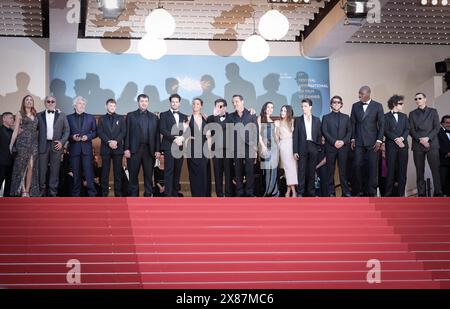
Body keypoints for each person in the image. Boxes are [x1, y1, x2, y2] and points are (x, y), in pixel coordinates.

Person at [350, 86, 385, 197]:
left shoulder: (378, 106)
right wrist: (353, 138)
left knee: (373, 166)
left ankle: (372, 191)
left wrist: (379, 140)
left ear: (368, 94)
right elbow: (352, 123)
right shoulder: (355, 106)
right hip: (359, 141)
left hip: (373, 142)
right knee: (357, 165)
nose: (359, 95)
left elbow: (382, 124)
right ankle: (359, 190)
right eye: (359, 93)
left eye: (361, 93)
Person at [124, 94, 160, 197]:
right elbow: (127, 133)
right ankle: (134, 196)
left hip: (149, 150)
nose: (144, 103)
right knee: (133, 175)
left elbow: (157, 135)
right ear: (138, 102)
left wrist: (157, 150)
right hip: (134, 150)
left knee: (148, 175)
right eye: (142, 101)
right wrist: (126, 148)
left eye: (146, 101)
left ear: (148, 102)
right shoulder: (131, 116)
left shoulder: (154, 117)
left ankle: (148, 195)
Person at [409, 93, 442, 197]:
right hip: (418, 145)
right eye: (416, 99)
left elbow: (437, 127)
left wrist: (428, 138)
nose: (417, 100)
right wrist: (420, 139)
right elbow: (411, 129)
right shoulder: (412, 113)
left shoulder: (433, 111)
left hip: (432, 144)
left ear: (425, 99)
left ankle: (438, 192)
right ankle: (421, 194)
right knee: (419, 170)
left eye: (420, 98)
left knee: (435, 169)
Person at [37, 95, 70, 197]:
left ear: (55, 103)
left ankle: (52, 193)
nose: (50, 103)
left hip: (56, 145)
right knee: (42, 170)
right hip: (43, 145)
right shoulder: (39, 115)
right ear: (45, 103)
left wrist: (61, 142)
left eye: (52, 101)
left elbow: (67, 130)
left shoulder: (62, 115)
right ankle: (41, 191)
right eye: (48, 101)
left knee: (55, 170)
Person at [321, 96, 352, 197]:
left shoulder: (346, 117)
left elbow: (349, 131)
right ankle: (331, 192)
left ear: (341, 104)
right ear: (331, 104)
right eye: (334, 102)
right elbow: (324, 131)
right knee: (330, 171)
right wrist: (334, 142)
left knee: (343, 171)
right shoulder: (326, 117)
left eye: (338, 102)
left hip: (343, 148)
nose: (336, 104)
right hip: (330, 147)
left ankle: (345, 191)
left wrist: (343, 141)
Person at [9, 95, 39, 197]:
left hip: (33, 143)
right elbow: (16, 130)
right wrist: (11, 144)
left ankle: (27, 190)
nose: (29, 101)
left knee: (31, 166)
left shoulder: (36, 114)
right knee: (21, 167)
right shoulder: (19, 114)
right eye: (27, 100)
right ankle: (23, 190)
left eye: (31, 100)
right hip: (22, 143)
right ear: (24, 102)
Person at [67, 96, 97, 197]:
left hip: (87, 150)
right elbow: (66, 133)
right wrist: (72, 137)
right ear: (75, 105)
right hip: (74, 150)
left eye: (84, 104)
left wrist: (87, 137)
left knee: (89, 174)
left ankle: (92, 195)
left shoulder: (91, 117)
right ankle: (76, 196)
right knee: (76, 174)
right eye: (80, 103)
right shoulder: (68, 118)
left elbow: (95, 132)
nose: (82, 106)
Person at [229, 94, 258, 197]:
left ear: (242, 101)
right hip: (236, 147)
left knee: (249, 170)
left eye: (236, 101)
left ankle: (250, 192)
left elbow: (255, 131)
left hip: (249, 146)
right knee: (238, 170)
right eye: (233, 102)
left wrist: (255, 147)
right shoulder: (231, 116)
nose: (234, 103)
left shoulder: (251, 114)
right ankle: (240, 192)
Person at [159, 94, 188, 197]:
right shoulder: (163, 115)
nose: (175, 103)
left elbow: (187, 131)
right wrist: (175, 138)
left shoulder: (184, 116)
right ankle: (168, 194)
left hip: (180, 147)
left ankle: (175, 193)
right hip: (168, 146)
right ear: (170, 103)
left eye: (176, 102)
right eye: (173, 102)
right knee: (169, 171)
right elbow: (162, 129)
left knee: (177, 170)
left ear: (179, 103)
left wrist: (182, 138)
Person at [293, 98, 322, 197]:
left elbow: (319, 135)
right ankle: (300, 192)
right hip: (302, 146)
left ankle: (311, 192)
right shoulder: (298, 120)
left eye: (305, 106)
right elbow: (295, 136)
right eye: (302, 106)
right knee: (301, 170)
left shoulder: (317, 120)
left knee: (312, 170)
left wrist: (318, 148)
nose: (303, 108)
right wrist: (295, 151)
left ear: (310, 107)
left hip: (313, 146)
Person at [97, 99, 126, 197]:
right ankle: (104, 193)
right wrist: (109, 142)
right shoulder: (101, 118)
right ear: (106, 106)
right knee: (105, 173)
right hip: (106, 148)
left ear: (116, 107)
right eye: (110, 106)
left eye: (114, 106)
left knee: (117, 173)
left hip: (117, 149)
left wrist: (116, 141)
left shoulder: (121, 118)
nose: (112, 107)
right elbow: (100, 132)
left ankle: (118, 193)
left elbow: (123, 132)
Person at [384, 95, 409, 197]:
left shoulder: (404, 116)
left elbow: (407, 129)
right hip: (391, 145)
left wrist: (401, 139)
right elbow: (385, 130)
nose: (402, 105)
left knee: (402, 170)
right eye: (400, 103)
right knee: (390, 170)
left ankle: (401, 194)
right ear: (394, 104)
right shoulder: (385, 116)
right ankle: (388, 194)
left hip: (403, 145)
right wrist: (396, 139)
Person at [207, 98, 233, 197]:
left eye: (220, 106)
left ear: (225, 108)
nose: (218, 108)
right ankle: (219, 195)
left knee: (228, 173)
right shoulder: (210, 118)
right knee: (217, 174)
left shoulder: (231, 117)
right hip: (216, 151)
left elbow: (219, 126)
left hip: (228, 150)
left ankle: (228, 194)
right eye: (217, 106)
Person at [184, 98, 209, 197]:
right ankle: (195, 196)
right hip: (192, 148)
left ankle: (203, 196)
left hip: (204, 148)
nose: (195, 105)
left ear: (201, 106)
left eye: (198, 104)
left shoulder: (205, 118)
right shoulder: (188, 118)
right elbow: (183, 133)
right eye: (194, 103)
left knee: (203, 172)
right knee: (193, 173)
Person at [275, 105, 297, 197]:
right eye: (281, 110)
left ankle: (288, 191)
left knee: (293, 169)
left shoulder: (293, 122)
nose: (282, 112)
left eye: (285, 111)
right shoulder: (277, 122)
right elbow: (276, 137)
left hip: (293, 146)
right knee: (287, 168)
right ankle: (294, 191)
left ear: (289, 112)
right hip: (283, 146)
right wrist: (279, 147)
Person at [257, 102, 279, 197]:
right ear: (264, 108)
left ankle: (274, 192)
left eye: (272, 107)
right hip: (265, 147)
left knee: (273, 169)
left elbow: (275, 137)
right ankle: (266, 192)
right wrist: (263, 146)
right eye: (268, 107)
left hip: (274, 147)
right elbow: (258, 134)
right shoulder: (260, 118)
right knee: (266, 170)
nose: (270, 109)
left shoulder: (272, 121)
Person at [0, 112, 15, 197]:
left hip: (12, 163)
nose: (12, 119)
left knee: (9, 187)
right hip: (1, 163)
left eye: (12, 118)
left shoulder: (13, 132)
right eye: (10, 118)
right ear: (4, 119)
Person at [438, 115, 450, 196]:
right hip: (443, 160)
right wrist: (446, 153)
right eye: (447, 122)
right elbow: (438, 145)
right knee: (443, 180)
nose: (449, 124)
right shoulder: (438, 132)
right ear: (442, 123)